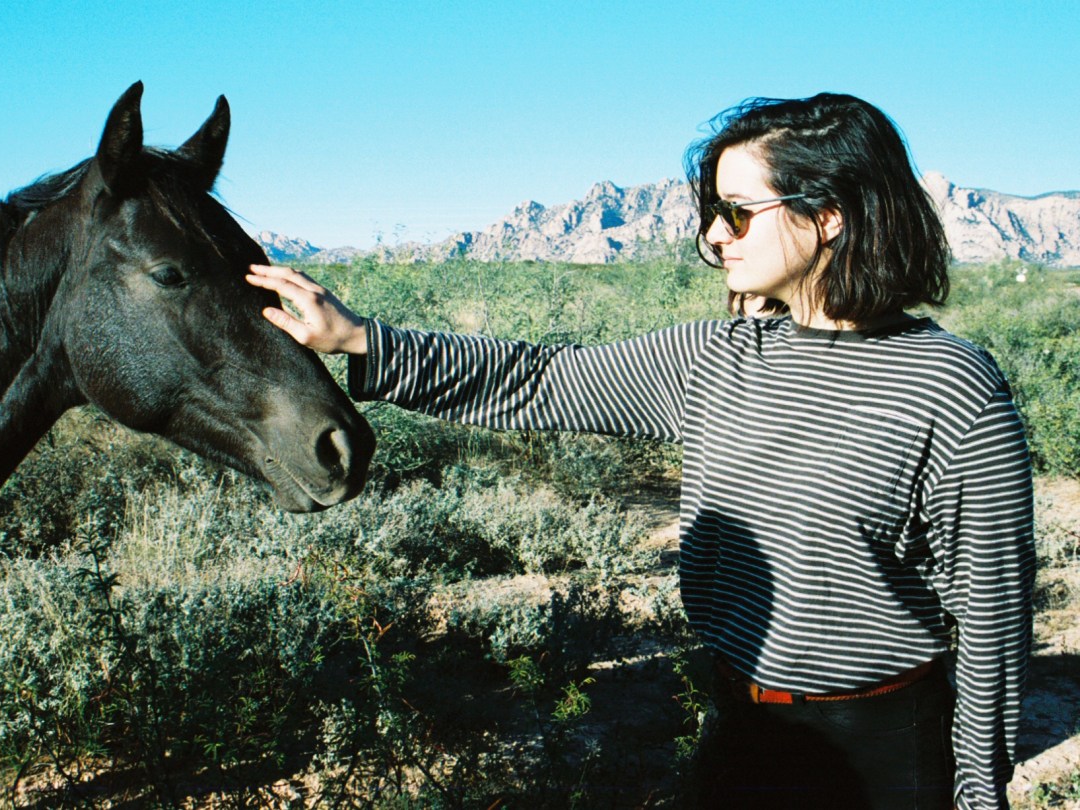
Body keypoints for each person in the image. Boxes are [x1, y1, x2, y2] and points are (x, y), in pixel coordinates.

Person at [245, 93, 1035, 810]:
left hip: (882, 749)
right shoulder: (718, 357)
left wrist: (976, 791)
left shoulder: (948, 386)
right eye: (711, 211)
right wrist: (359, 340)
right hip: (740, 726)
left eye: (738, 211)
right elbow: (541, 380)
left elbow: (993, 621)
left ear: (828, 214)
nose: (715, 235)